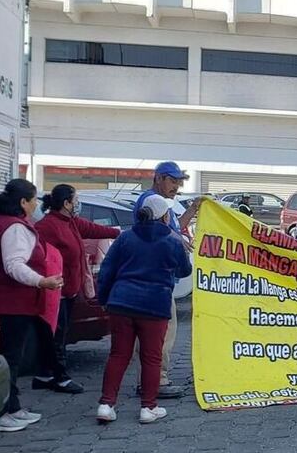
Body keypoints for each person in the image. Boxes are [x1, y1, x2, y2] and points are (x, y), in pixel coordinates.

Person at [96, 194, 193, 424]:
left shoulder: (125, 238)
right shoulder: (172, 241)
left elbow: (107, 269)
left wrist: (103, 298)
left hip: (121, 303)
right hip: (154, 306)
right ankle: (148, 408)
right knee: (151, 358)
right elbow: (184, 271)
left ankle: (106, 404)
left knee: (119, 354)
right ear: (164, 216)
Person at [0, 179, 64, 432]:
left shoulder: (4, 223)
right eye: (33, 200)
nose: (37, 204)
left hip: (14, 302)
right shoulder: (14, 228)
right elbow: (14, 265)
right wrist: (42, 281)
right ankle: (1, 411)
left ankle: (13, 407)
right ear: (23, 202)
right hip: (11, 303)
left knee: (12, 357)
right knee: (9, 358)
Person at [35, 184, 121, 394]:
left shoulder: (70, 222)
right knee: (57, 334)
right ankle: (60, 377)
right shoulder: (48, 226)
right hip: (56, 290)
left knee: (59, 333)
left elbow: (93, 229)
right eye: (76, 200)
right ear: (66, 203)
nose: (78, 204)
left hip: (70, 289)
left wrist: (119, 233)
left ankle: (44, 374)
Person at [133, 162, 198, 399]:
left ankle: (148, 380)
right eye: (173, 181)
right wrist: (177, 243)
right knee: (162, 334)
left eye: (179, 182)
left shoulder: (164, 207)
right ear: (159, 178)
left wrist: (191, 210)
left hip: (159, 281)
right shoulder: (149, 202)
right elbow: (156, 230)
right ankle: (156, 381)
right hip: (155, 282)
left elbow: (174, 229)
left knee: (158, 334)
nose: (177, 186)